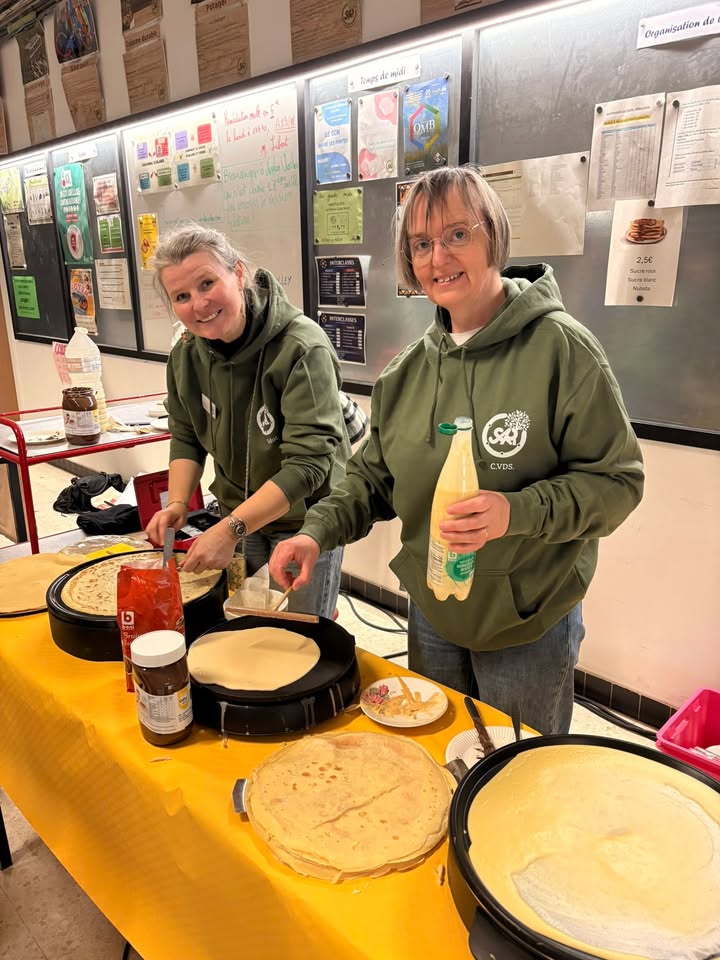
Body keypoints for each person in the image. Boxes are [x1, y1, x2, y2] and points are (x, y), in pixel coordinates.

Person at [269, 165, 644, 734]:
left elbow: (618, 482)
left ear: (494, 235)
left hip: (527, 618)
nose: (438, 257)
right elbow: (371, 481)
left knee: (517, 770)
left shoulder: (563, 350)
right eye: (421, 244)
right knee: (440, 756)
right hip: (435, 610)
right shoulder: (406, 373)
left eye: (457, 234)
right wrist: (314, 532)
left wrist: (515, 512)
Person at [145, 223, 351, 619]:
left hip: (303, 523)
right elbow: (186, 434)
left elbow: (308, 466)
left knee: (298, 635)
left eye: (207, 283)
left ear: (238, 274)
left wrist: (229, 530)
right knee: (246, 627)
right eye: (181, 296)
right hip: (237, 515)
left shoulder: (300, 348)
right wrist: (177, 503)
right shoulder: (186, 355)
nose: (199, 304)